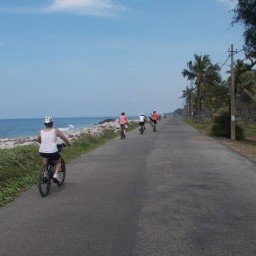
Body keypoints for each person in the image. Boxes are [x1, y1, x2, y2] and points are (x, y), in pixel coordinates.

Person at [38, 116, 70, 183]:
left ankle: (45, 173)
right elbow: (64, 138)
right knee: (58, 162)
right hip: (52, 150)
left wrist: (43, 143)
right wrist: (68, 143)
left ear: (44, 124)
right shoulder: (55, 131)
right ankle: (55, 175)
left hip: (42, 151)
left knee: (45, 157)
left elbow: (39, 140)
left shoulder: (41, 131)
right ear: (52, 123)